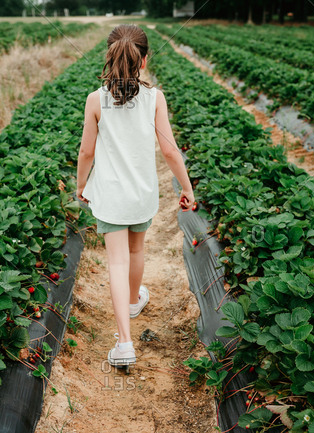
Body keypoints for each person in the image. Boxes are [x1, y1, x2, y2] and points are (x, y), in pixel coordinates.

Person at [76, 24, 195, 367]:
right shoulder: (155, 98)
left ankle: (125, 343)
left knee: (116, 262)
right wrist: (186, 188)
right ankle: (132, 300)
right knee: (137, 249)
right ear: (144, 60)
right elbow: (170, 151)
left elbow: (86, 152)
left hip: (111, 197)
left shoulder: (96, 100)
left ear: (109, 58)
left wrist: (81, 185)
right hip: (142, 194)